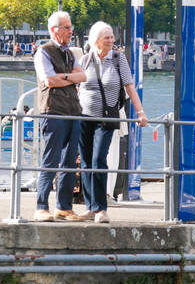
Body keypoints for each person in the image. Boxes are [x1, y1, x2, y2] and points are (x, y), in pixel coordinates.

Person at [77, 21, 146, 224]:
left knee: (99, 159)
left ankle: (101, 209)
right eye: (107, 37)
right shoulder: (85, 60)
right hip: (83, 117)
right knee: (87, 161)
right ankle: (90, 206)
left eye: (112, 36)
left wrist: (140, 112)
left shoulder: (118, 59)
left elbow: (130, 87)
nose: (111, 40)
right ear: (96, 40)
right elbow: (77, 88)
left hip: (106, 117)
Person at [33, 11, 86, 221]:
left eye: (71, 27)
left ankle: (64, 206)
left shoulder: (71, 53)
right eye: (66, 27)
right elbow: (49, 81)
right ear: (54, 30)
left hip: (73, 111)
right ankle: (41, 206)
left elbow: (83, 76)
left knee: (69, 161)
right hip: (53, 110)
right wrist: (70, 78)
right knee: (50, 160)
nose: (70, 31)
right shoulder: (43, 52)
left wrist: (64, 77)